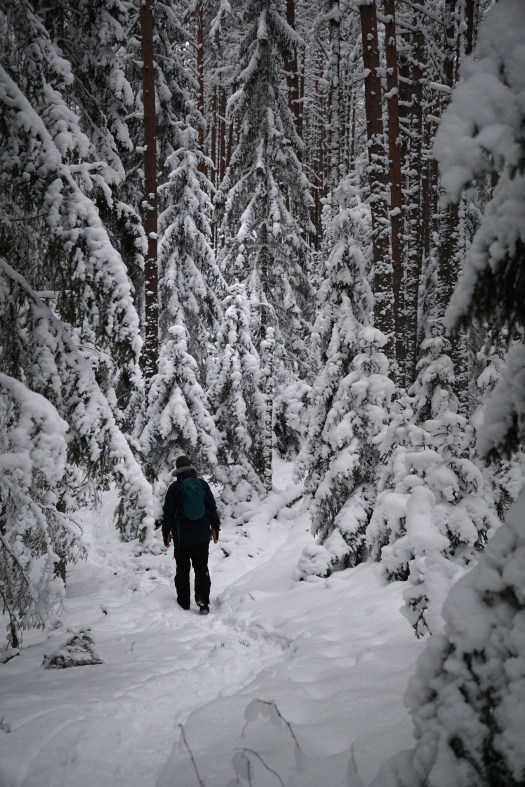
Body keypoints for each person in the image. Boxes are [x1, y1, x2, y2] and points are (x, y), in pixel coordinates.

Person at [162, 455, 220, 615]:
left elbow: (168, 513)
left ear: (177, 469)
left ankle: (183, 602)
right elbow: (212, 507)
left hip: (182, 538)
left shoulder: (174, 488)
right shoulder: (202, 484)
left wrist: (165, 533)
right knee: (201, 568)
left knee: (182, 569)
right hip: (202, 536)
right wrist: (215, 527)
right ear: (190, 466)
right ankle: (203, 601)